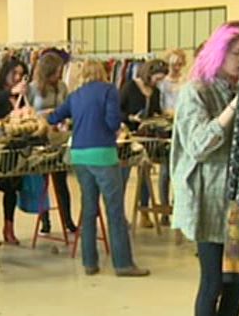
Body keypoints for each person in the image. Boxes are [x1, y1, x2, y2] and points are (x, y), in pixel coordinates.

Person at [171, 23, 239, 316]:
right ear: (220, 54)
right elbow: (199, 145)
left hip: (238, 199)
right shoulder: (196, 91)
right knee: (213, 282)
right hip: (207, 200)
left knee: (238, 283)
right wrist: (234, 108)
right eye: (238, 53)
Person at [47, 60, 149, 278]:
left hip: (79, 154)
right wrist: (116, 128)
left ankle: (89, 262)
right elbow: (112, 122)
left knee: (89, 209)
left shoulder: (75, 95)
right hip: (102, 154)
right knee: (114, 210)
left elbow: (54, 117)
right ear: (102, 73)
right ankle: (123, 264)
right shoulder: (109, 90)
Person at [0, 58, 29, 245]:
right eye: (14, 73)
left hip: (12, 146)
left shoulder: (21, 95)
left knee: (12, 189)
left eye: (21, 74)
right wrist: (11, 92)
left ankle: (9, 227)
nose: (17, 77)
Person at [29, 52, 77, 236]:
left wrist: (65, 121)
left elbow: (68, 108)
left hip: (59, 136)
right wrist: (43, 116)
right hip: (41, 138)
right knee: (42, 184)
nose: (59, 74)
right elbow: (28, 112)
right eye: (57, 71)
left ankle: (68, 220)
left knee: (61, 181)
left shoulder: (62, 87)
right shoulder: (33, 88)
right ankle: (45, 221)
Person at [120, 58, 168, 229]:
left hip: (146, 137)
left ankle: (144, 212)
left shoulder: (155, 92)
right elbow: (117, 110)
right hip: (128, 137)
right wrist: (130, 118)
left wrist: (159, 118)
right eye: (157, 78)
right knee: (123, 177)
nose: (158, 82)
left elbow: (156, 111)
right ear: (149, 74)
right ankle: (119, 214)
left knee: (145, 177)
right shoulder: (130, 87)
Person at [157, 49, 188, 226]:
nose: (176, 67)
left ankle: (177, 207)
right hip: (166, 128)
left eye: (179, 64)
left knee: (180, 169)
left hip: (182, 126)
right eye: (173, 64)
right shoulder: (162, 83)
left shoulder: (186, 81)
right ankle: (164, 208)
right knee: (165, 170)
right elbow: (160, 105)